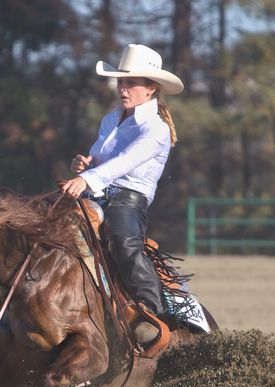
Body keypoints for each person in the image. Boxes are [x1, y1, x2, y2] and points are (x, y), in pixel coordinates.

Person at [60, 43, 184, 345]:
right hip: (98, 192)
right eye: (120, 81)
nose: (122, 88)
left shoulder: (156, 129)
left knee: (123, 242)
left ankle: (153, 315)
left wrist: (88, 178)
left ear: (151, 88)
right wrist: (85, 165)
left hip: (129, 200)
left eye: (130, 82)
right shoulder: (110, 120)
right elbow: (103, 161)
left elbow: (126, 162)